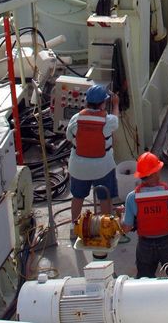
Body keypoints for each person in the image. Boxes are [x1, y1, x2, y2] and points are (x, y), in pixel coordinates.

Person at [122, 151, 168, 278]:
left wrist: (120, 218)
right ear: (157, 171)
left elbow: (127, 227)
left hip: (145, 245)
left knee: (144, 278)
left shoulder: (132, 198)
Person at [66, 84, 120, 236]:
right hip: (102, 167)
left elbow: (69, 137)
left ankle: (74, 227)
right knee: (105, 197)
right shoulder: (108, 121)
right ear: (103, 103)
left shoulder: (76, 119)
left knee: (77, 197)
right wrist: (116, 104)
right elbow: (116, 119)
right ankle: (106, 226)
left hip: (79, 168)